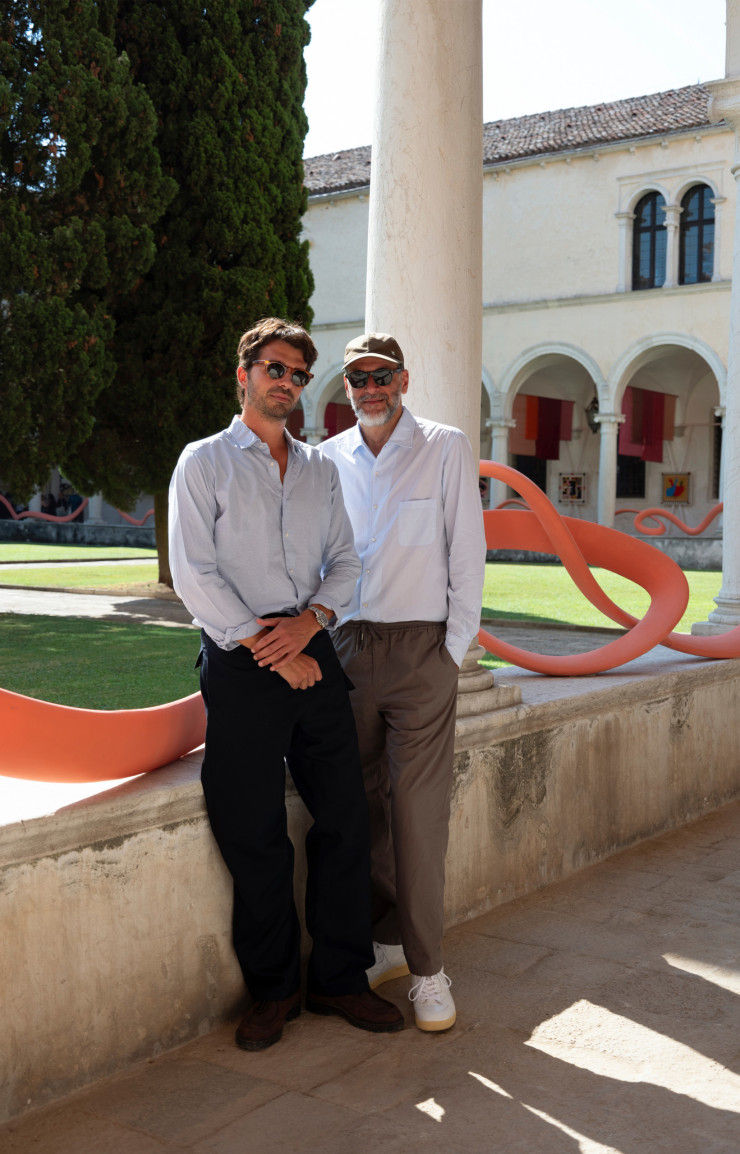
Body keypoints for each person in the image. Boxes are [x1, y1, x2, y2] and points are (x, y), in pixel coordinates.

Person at [169, 318, 403, 1051]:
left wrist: (310, 626)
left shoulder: (318, 470)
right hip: (240, 661)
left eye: (298, 375)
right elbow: (193, 574)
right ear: (243, 374)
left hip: (310, 646)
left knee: (344, 819)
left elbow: (346, 562)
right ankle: (275, 991)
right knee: (255, 830)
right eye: (275, 369)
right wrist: (268, 646)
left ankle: (339, 978)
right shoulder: (203, 462)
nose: (287, 384)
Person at [319, 332, 487, 1033]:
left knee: (419, 817)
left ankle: (427, 970)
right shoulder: (327, 460)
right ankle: (381, 942)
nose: (370, 387)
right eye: (358, 377)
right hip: (349, 649)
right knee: (361, 810)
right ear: (348, 388)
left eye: (381, 375)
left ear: (403, 378)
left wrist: (451, 649)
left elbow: (467, 549)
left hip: (422, 652)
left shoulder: (445, 446)